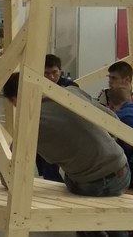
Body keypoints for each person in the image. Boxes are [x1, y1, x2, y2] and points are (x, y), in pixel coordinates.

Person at [2, 72, 129, 237]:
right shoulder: (71, 92)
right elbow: (113, 121)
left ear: (15, 99)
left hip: (89, 185)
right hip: (122, 172)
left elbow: (10, 176)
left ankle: (93, 231)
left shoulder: (29, 123)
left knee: (71, 179)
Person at [36, 53, 77, 183]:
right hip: (46, 129)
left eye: (54, 72)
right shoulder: (36, 86)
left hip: (67, 130)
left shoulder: (71, 87)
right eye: (47, 73)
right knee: (48, 168)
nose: (51, 77)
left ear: (61, 71)